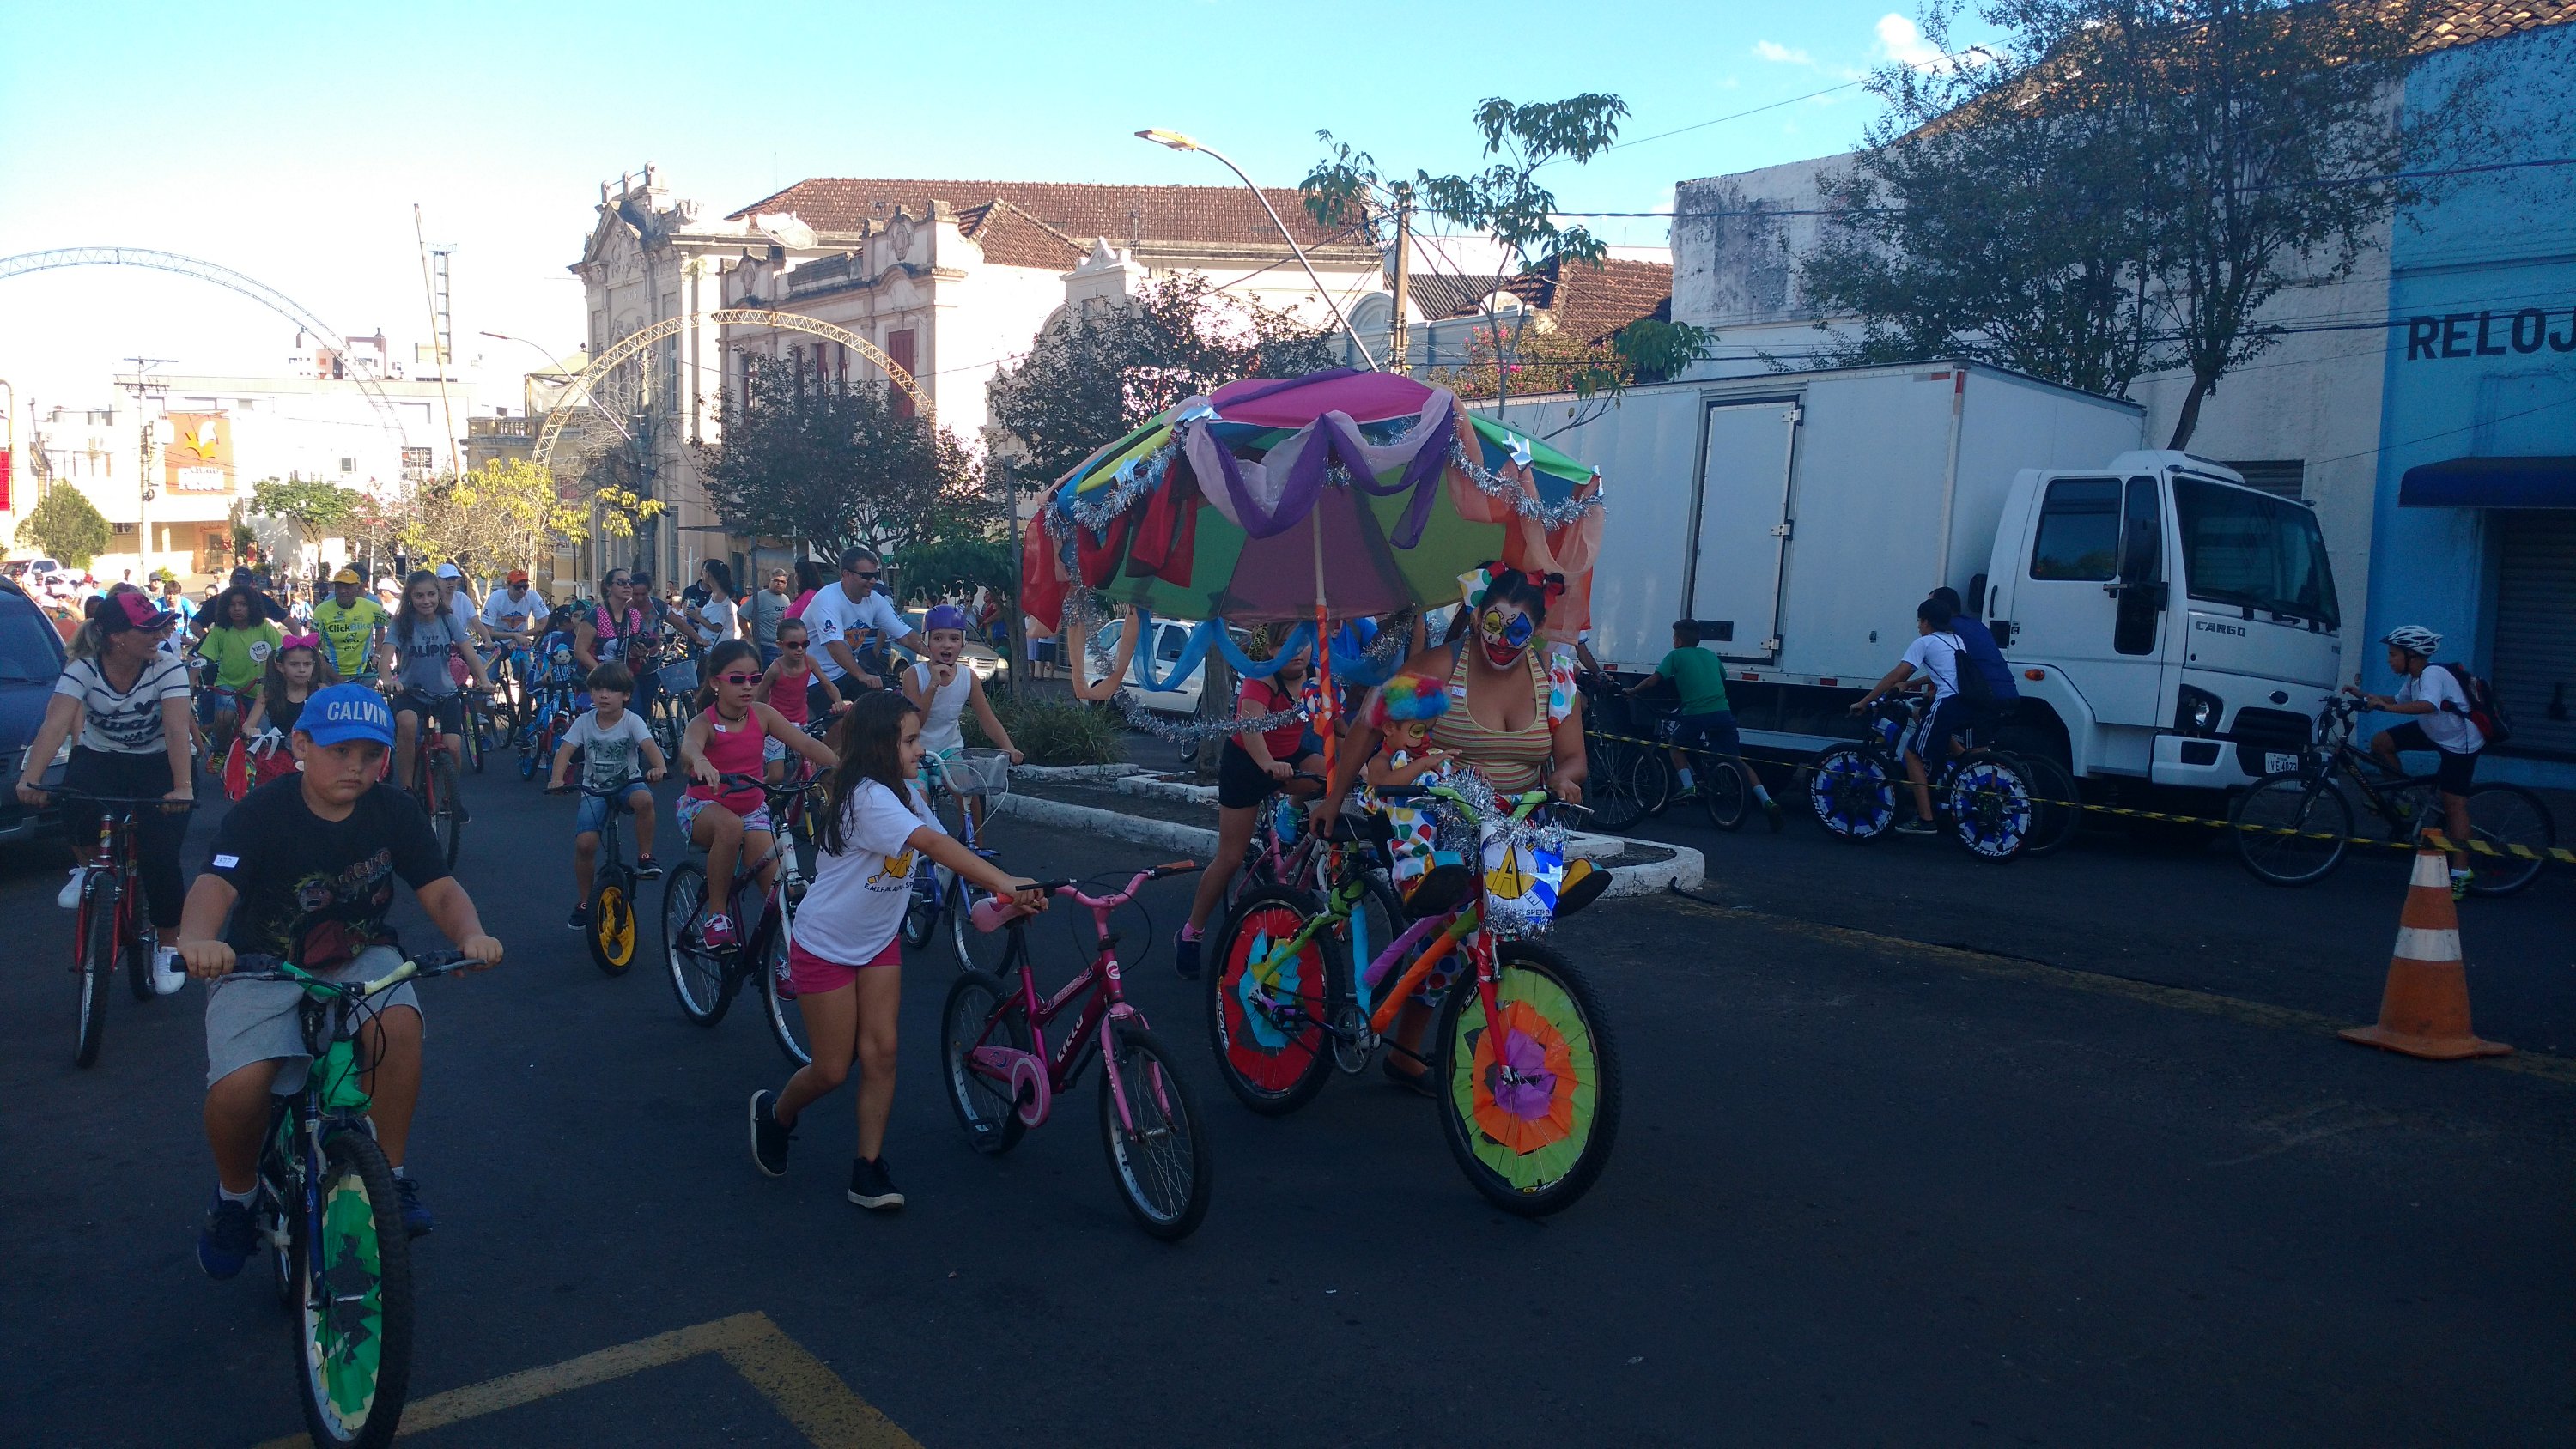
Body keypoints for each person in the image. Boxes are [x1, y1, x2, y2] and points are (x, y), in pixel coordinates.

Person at [179, 682, 505, 1271]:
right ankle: (236, 1197)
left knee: (399, 1024)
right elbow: (214, 885)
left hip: (360, 953)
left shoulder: (394, 810)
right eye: (340, 751)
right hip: (263, 963)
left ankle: (392, 1177)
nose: (356, 766)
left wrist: (470, 934)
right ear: (301, 745)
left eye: (371, 754)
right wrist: (198, 941)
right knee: (241, 1086)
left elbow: (439, 887)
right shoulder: (260, 813)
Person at [748, 690, 1043, 1210]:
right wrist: (1005, 881)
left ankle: (868, 1167)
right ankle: (776, 1115)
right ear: (880, 745)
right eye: (910, 741)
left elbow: (946, 848)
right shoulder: (868, 798)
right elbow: (931, 845)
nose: (919, 749)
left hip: (878, 940)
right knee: (832, 1070)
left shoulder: (904, 793)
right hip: (826, 944)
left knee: (882, 1053)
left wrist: (1001, 894)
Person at [1319, 565, 1591, 1087]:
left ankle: (1407, 1053)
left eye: (1518, 630)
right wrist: (1334, 800)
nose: (1503, 640)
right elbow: (1371, 721)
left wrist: (1564, 778)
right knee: (1466, 932)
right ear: (1476, 613)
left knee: (1468, 941)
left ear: (1537, 628)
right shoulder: (1440, 667)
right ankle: (1424, 880)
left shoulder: (1556, 680)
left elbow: (1574, 757)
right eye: (1493, 624)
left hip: (1511, 824)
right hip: (1440, 820)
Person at [19, 591, 197, 988]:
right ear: (116, 637)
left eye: (159, 627)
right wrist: (30, 778)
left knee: (160, 856)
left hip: (160, 761)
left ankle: (168, 945)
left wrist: (182, 787)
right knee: (73, 798)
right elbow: (55, 725)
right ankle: (86, 866)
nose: (159, 635)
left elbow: (175, 730)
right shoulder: (83, 668)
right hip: (104, 756)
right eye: (148, 629)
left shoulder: (167, 666)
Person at [1172, 624, 1327, 980]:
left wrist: (1357, 764)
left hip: (1288, 757)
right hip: (1247, 764)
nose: (1296, 651)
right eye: (1285, 644)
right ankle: (1191, 932)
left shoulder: (1316, 677)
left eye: (1302, 643)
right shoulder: (1261, 679)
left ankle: (1290, 816)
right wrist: (1267, 764)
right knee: (1230, 857)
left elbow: (1336, 723)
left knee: (1335, 776)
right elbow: (1251, 727)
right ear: (1271, 650)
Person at [677, 638, 839, 949]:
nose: (748, 686)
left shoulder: (763, 714)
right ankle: (716, 915)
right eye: (737, 679)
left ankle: (782, 956)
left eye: (754, 678)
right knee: (730, 827)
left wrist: (843, 767)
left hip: (752, 811)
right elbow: (690, 745)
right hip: (703, 808)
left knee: (779, 896)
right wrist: (700, 761)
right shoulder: (704, 722)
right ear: (715, 683)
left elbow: (805, 743)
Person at [2353, 625, 2484, 897]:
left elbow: (2427, 705)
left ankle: (2461, 872)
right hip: (2434, 730)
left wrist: (2387, 708)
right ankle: (2402, 800)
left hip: (2459, 741)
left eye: (2393, 654)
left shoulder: (2432, 674)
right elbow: (2397, 700)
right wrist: (2363, 695)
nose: (2389, 660)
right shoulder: (2415, 678)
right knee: (2381, 743)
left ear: (2411, 655)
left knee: (2453, 805)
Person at [1626, 619, 1783, 830]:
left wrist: (1632, 691)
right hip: (1723, 713)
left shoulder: (1675, 656)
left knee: (1675, 745)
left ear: (1678, 641)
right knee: (1736, 759)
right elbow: (1722, 677)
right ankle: (1767, 801)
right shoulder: (1710, 655)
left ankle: (1689, 786)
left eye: (1674, 638)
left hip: (1696, 713)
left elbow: (1653, 681)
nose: (1673, 641)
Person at [550, 661, 668, 931]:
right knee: (585, 845)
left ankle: (645, 857)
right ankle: (584, 902)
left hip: (627, 783)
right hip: (594, 789)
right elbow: (565, 751)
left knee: (645, 800)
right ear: (591, 694)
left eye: (612, 690)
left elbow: (648, 745)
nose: (603, 695)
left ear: (625, 696)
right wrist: (557, 779)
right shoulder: (585, 721)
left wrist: (659, 768)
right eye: (598, 690)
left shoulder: (631, 720)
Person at [1846, 597, 1973, 836]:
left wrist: (1864, 701)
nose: (1918, 626)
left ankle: (1925, 819)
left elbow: (1896, 675)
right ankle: (1966, 765)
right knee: (1927, 722)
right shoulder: (1957, 640)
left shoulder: (1924, 642)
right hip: (1966, 703)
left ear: (1926, 621)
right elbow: (1946, 673)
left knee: (1912, 754)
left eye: (1919, 621)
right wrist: (1913, 685)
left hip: (1946, 704)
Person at [902, 604, 1021, 830]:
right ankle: (923, 848)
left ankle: (975, 844)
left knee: (968, 792)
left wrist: (1009, 747)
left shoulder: (968, 677)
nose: (946, 644)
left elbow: (987, 718)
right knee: (918, 801)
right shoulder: (913, 675)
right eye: (938, 638)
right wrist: (933, 685)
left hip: (950, 750)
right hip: (916, 751)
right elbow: (916, 723)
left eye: (954, 638)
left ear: (963, 643)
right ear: (926, 641)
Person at [385, 570, 494, 796]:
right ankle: (407, 789)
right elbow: (385, 659)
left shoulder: (448, 620)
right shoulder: (401, 623)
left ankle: (450, 799)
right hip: (410, 692)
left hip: (445, 693)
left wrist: (484, 680)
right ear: (410, 597)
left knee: (453, 747)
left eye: (431, 595)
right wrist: (388, 680)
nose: (426, 601)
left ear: (438, 595)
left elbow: (470, 654)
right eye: (419, 596)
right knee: (407, 723)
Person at [800, 546, 915, 694]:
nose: (873, 581)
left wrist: (933, 656)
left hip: (846, 672)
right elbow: (834, 644)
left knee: (892, 699)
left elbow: (905, 635)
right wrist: (862, 675)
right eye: (866, 576)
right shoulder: (827, 599)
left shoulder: (875, 600)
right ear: (846, 574)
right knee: (838, 709)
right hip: (816, 678)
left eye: (875, 575)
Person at [197, 585, 283, 750]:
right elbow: (203, 657)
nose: (237, 609)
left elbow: (282, 650)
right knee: (224, 716)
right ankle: (220, 750)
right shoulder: (220, 630)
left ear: (252, 606)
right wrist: (192, 678)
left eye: (243, 604)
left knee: (261, 734)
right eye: (232, 605)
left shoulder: (264, 627)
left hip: (259, 688)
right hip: (227, 684)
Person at [756, 617, 840, 782]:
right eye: (793, 645)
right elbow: (760, 696)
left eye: (805, 644)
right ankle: (756, 790)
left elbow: (828, 685)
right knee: (776, 776)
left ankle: (794, 791)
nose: (800, 649)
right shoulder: (775, 669)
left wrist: (838, 701)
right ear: (780, 645)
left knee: (812, 769)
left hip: (801, 722)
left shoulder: (810, 662)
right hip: (777, 725)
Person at [313, 567, 392, 682]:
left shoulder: (372, 607)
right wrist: (333, 675)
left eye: (348, 587)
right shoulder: (321, 610)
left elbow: (398, 624)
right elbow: (313, 647)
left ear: (357, 588)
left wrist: (381, 655)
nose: (342, 591)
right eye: (338, 587)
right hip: (332, 674)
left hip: (363, 673)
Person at [683, 559, 741, 652]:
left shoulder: (719, 597)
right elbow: (711, 617)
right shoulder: (714, 594)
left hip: (716, 648)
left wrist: (696, 616)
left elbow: (716, 627)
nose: (702, 573)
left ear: (709, 574)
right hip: (709, 646)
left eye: (704, 570)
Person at [750, 567, 793, 667]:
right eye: (776, 580)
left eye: (782, 582)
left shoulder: (786, 599)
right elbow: (741, 615)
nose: (779, 583)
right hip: (764, 648)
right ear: (770, 581)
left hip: (781, 648)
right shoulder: (761, 596)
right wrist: (750, 639)